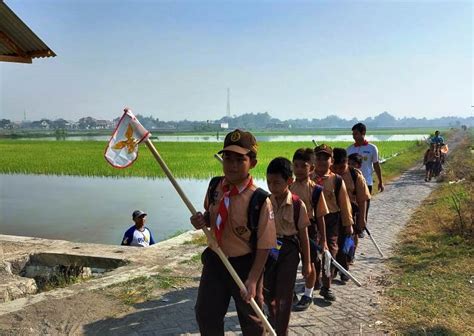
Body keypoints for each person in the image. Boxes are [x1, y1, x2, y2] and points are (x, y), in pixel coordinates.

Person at [190, 129, 276, 336]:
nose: (232, 165)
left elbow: (265, 244)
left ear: (252, 163)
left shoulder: (259, 200)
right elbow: (213, 218)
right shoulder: (215, 187)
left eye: (240, 159)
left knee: (252, 320)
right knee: (206, 314)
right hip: (216, 260)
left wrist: (253, 280)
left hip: (246, 265)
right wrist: (202, 220)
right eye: (228, 158)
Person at [264, 157, 312, 335]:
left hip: (289, 251)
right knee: (268, 293)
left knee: (284, 296)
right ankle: (272, 317)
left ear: (289, 181)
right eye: (269, 182)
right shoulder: (265, 202)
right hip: (268, 250)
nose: (272, 186)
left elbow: (304, 237)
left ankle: (281, 331)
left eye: (277, 182)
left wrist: (307, 264)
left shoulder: (298, 205)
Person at [289, 148, 329, 311]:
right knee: (289, 262)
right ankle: (290, 292)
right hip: (290, 230)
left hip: (309, 229)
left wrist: (324, 240)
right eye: (296, 166)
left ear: (311, 168)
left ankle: (308, 294)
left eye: (303, 166)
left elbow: (320, 217)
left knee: (309, 262)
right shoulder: (288, 187)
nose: (299, 169)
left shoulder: (316, 190)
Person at [312, 144, 353, 301]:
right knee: (313, 252)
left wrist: (348, 223)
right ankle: (314, 281)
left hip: (331, 220)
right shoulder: (308, 179)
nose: (322, 161)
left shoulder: (336, 180)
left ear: (332, 160)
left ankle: (326, 286)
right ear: (314, 160)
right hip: (312, 220)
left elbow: (344, 203)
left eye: (326, 158)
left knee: (331, 251)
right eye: (319, 158)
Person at [331, 148, 371, 274]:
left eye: (341, 167)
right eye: (335, 167)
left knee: (345, 242)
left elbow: (362, 199)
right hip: (331, 214)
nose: (338, 170)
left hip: (349, 214)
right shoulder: (327, 174)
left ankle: (344, 267)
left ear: (346, 162)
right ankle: (335, 269)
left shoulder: (355, 175)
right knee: (333, 243)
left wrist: (362, 218)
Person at [347, 123, 383, 223]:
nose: (354, 136)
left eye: (356, 134)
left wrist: (380, 181)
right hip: (351, 183)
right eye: (353, 134)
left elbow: (376, 165)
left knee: (364, 207)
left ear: (363, 133)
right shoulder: (349, 149)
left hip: (366, 182)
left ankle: (362, 226)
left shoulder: (372, 148)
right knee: (352, 207)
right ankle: (353, 228)